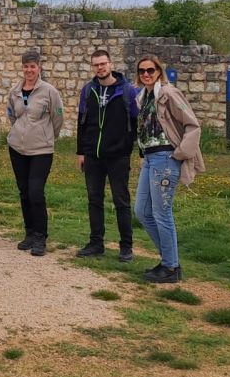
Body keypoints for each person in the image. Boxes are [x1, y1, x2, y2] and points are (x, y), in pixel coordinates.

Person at [133, 55, 205, 283]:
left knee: (162, 213)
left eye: (150, 70)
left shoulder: (168, 93)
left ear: (159, 72)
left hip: (165, 157)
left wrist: (180, 153)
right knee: (142, 211)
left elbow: (192, 124)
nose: (146, 74)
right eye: (142, 71)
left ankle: (171, 267)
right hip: (150, 159)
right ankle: (168, 260)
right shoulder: (143, 97)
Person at [75, 49, 138, 262]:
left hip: (118, 156)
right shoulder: (88, 90)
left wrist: (126, 148)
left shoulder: (127, 91)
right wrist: (81, 151)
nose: (100, 68)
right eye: (96, 65)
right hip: (93, 155)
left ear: (110, 64)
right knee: (94, 200)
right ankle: (96, 243)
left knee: (121, 200)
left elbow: (135, 122)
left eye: (103, 64)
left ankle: (126, 246)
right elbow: (81, 122)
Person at [7, 50, 64, 257]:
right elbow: (12, 114)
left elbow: (57, 117)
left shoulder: (49, 92)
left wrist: (48, 135)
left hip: (41, 150)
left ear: (39, 67)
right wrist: (18, 131)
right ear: (22, 68)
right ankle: (29, 233)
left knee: (35, 192)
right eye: (26, 66)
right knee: (23, 191)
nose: (29, 70)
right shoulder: (15, 90)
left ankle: (40, 236)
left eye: (32, 66)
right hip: (17, 148)